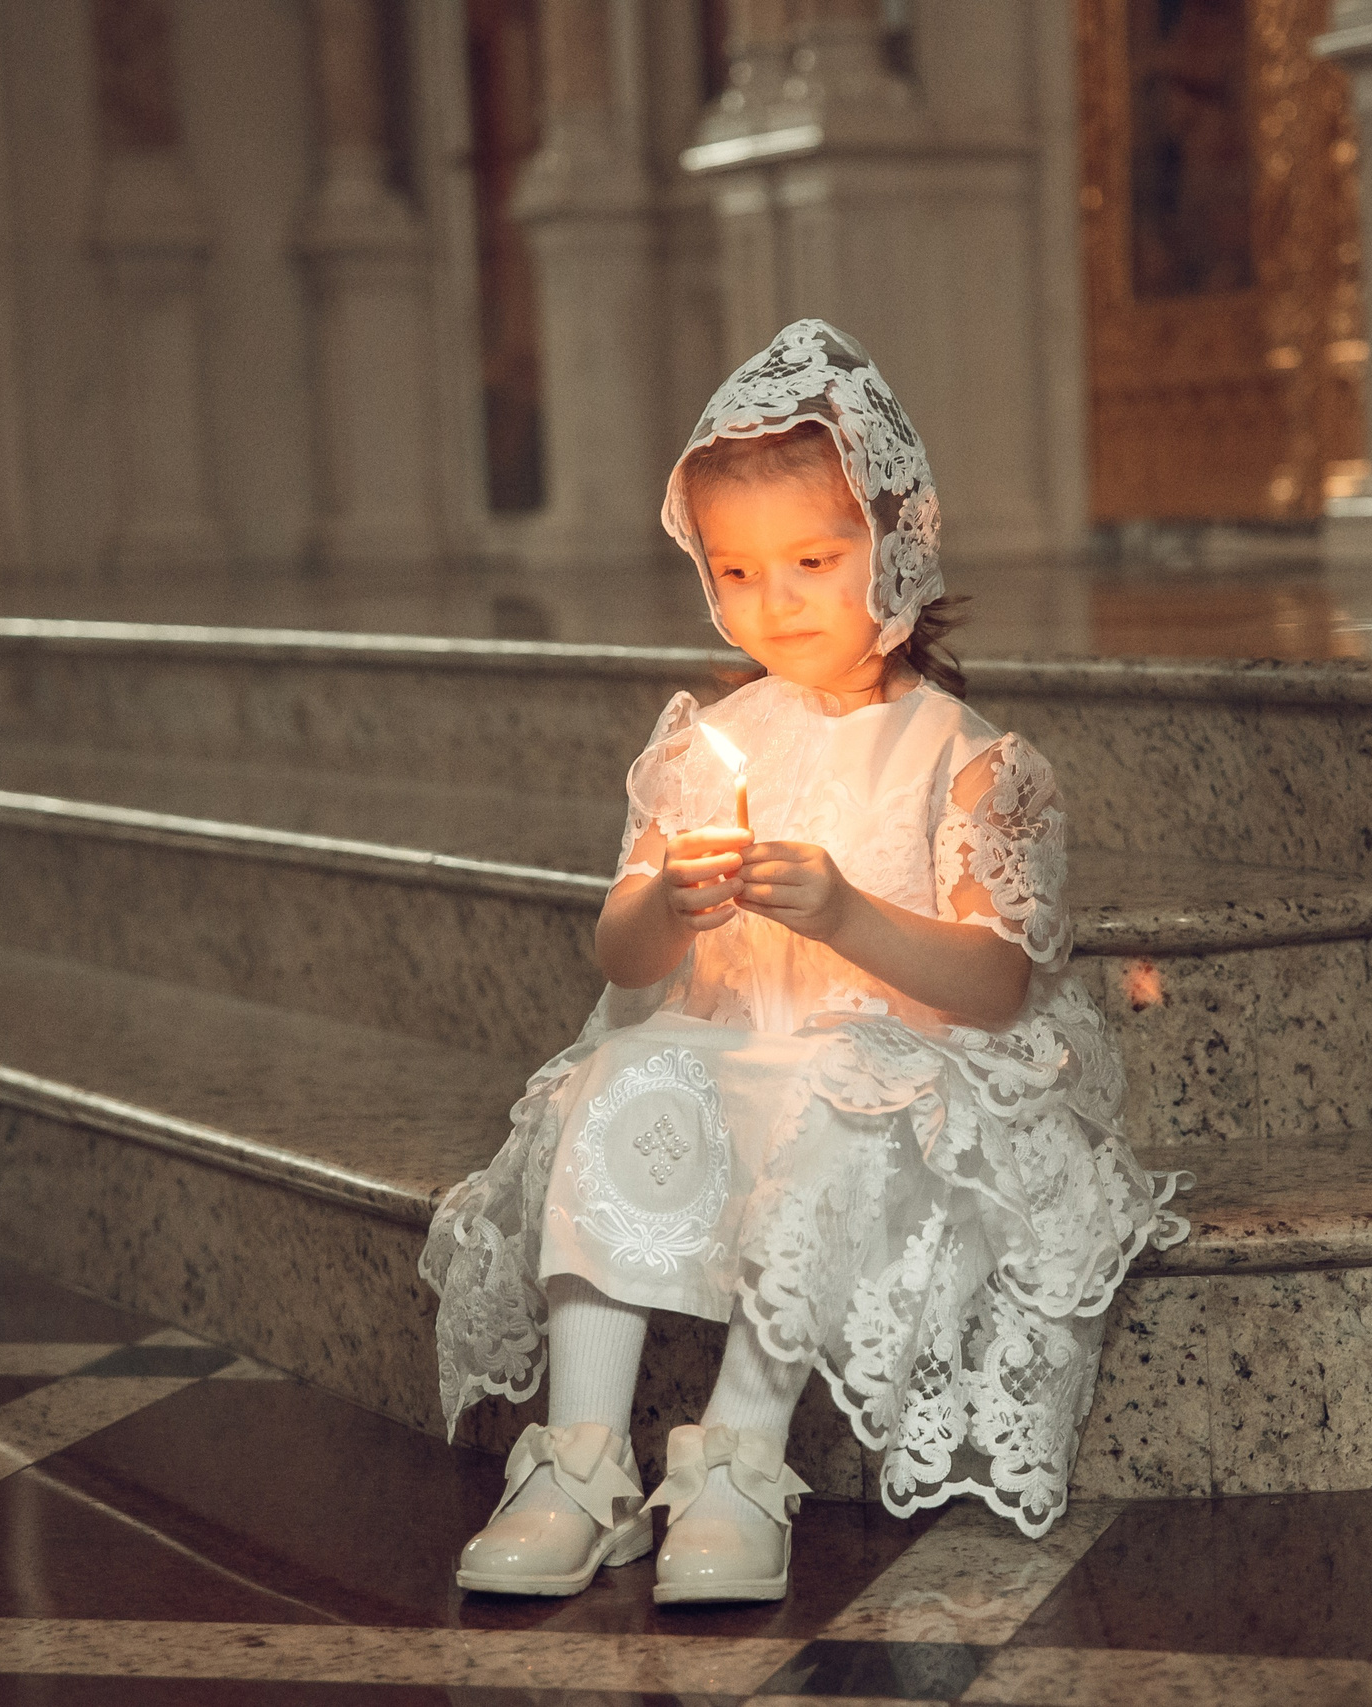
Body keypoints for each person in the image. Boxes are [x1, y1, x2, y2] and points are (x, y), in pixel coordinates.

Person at [418, 319, 1188, 1606]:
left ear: (896, 548)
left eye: (812, 561)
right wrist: (670, 903)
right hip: (726, 1046)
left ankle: (738, 1461)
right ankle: (583, 1462)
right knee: (618, 1082)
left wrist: (844, 916)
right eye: (734, 569)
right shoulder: (702, 747)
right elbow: (617, 950)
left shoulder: (969, 760)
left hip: (898, 1067)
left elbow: (996, 985)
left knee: (844, 1099)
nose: (770, 602)